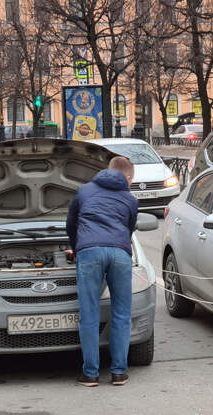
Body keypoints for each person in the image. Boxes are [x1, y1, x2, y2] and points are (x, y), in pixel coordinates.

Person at [66, 156, 139, 387]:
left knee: (89, 313)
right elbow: (129, 228)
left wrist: (77, 247)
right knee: (121, 313)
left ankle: (90, 374)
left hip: (89, 251)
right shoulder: (130, 199)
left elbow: (71, 223)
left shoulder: (85, 190)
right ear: (127, 177)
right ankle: (119, 372)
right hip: (119, 253)